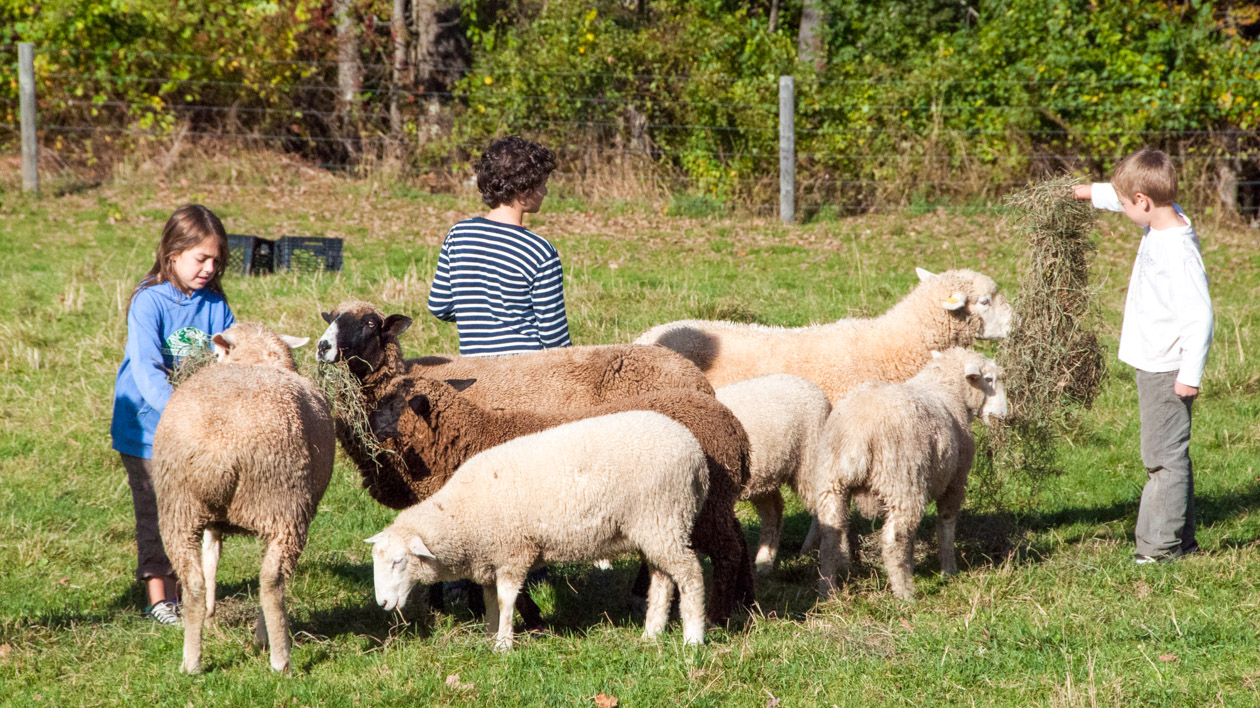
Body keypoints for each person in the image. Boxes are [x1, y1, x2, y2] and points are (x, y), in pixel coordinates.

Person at [1073, 147, 1214, 564]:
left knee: (1162, 460)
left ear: (1143, 203)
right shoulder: (1163, 218)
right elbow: (1125, 196)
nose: (1121, 207)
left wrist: (1189, 375)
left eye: (1123, 202)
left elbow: (1201, 318)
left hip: (1167, 367)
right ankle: (1182, 542)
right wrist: (1087, 193)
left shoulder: (1178, 252)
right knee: (1171, 454)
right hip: (1154, 360)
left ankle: (1159, 548)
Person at [110, 204, 236, 624]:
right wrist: (178, 410)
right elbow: (146, 368)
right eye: (201, 258)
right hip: (147, 428)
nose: (209, 267)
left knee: (190, 509)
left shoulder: (215, 304)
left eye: (216, 260)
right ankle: (158, 598)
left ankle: (184, 593)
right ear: (173, 253)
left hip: (196, 431)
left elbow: (232, 355)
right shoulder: (149, 302)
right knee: (154, 508)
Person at [428, 135, 572, 355]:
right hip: (526, 377)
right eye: (542, 184)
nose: (545, 192)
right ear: (524, 190)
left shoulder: (459, 234)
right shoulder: (540, 252)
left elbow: (439, 305)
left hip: (475, 376)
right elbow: (555, 339)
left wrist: (475, 314)